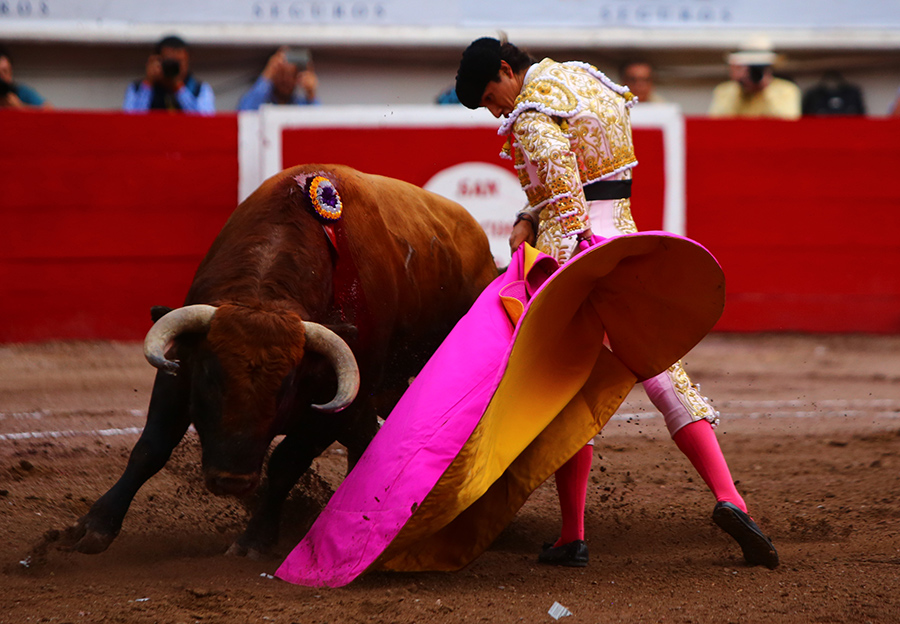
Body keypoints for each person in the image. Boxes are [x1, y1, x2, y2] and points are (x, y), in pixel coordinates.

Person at [455, 37, 778, 569]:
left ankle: (572, 534)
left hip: (579, 260)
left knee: (566, 390)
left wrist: (549, 265)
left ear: (508, 72)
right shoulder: (585, 79)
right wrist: (529, 214)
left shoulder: (533, 117)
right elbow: (590, 176)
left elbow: (565, 201)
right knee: (666, 378)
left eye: (493, 97)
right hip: (625, 244)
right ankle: (730, 497)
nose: (498, 110)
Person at [709, 39, 801, 119]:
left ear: (769, 68)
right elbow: (717, 124)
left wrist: (765, 90)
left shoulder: (786, 90)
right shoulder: (724, 91)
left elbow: (788, 125)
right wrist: (739, 85)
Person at [123, 35, 215, 115]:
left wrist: (179, 88)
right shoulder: (136, 88)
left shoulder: (199, 89)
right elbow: (131, 120)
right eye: (169, 62)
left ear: (187, 61)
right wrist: (148, 83)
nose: (173, 67)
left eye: (179, 62)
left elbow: (204, 122)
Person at [237, 47, 319, 110]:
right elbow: (243, 113)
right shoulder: (261, 103)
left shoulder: (302, 105)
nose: (286, 80)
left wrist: (311, 94)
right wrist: (266, 76)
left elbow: (320, 124)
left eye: (291, 75)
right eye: (281, 74)